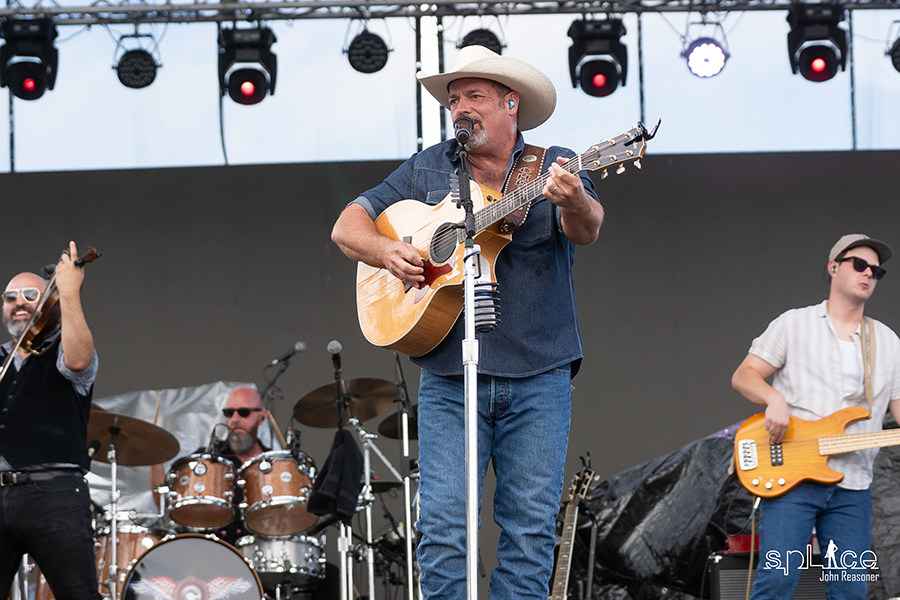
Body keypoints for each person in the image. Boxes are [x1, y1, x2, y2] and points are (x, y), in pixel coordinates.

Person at [332, 46, 603, 600]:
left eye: (474, 96)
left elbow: (588, 229)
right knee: (443, 529)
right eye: (453, 99)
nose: (460, 108)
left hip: (540, 372)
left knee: (529, 532)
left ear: (511, 104)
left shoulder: (555, 163)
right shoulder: (429, 166)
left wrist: (574, 200)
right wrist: (387, 252)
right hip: (452, 377)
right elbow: (346, 227)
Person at [731, 234, 900, 600]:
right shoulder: (794, 324)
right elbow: (743, 375)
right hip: (792, 477)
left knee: (851, 591)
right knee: (776, 584)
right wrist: (774, 398)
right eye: (860, 265)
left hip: (853, 486)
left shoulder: (887, 342)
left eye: (877, 270)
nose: (869, 273)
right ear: (834, 267)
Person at [0, 242, 101, 600]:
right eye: (10, 298)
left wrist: (69, 293)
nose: (19, 302)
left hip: (54, 494)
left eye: (31, 294)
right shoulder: (1, 361)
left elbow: (77, 361)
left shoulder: (63, 349)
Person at [151, 385, 270, 543]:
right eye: (229, 413)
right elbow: (165, 499)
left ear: (262, 417)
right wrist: (154, 457)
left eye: (243, 412)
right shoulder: (207, 459)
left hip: (261, 554)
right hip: (212, 550)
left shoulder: (272, 464)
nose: (235, 419)